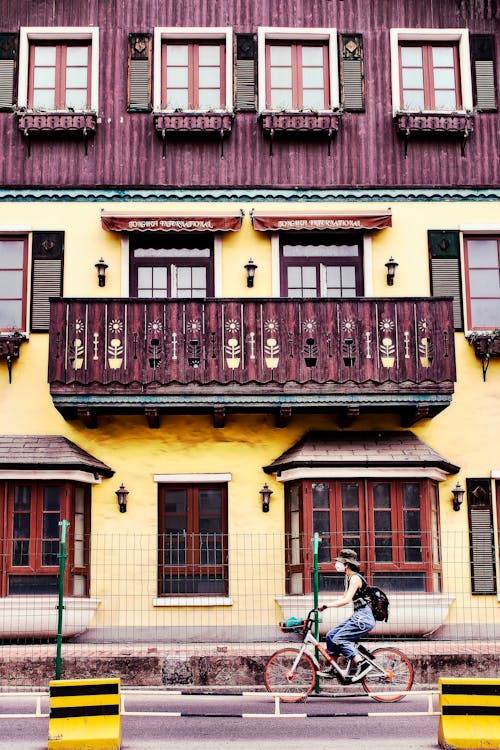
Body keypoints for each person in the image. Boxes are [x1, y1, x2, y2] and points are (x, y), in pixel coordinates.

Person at [318, 548, 375, 680]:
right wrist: (326, 604)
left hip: (364, 618)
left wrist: (327, 605)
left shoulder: (355, 578)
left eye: (340, 562)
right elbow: (343, 597)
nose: (337, 564)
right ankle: (334, 669)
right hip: (358, 616)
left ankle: (362, 664)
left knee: (340, 639)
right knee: (331, 636)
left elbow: (346, 600)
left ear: (347, 564)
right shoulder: (348, 578)